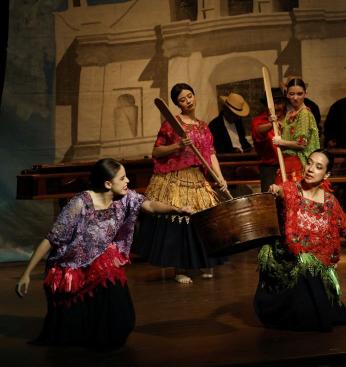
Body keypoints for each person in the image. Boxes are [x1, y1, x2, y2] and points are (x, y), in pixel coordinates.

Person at [16, 158, 192, 349]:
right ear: (108, 183)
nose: (128, 182)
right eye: (122, 178)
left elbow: (149, 206)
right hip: (72, 264)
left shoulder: (126, 198)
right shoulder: (80, 203)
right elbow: (51, 238)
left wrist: (176, 209)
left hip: (100, 257)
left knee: (118, 305)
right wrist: (26, 273)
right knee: (72, 328)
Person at [255, 150, 346, 331]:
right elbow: (282, 191)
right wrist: (276, 189)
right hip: (291, 260)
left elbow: (345, 226)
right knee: (305, 265)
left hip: (316, 261)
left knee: (314, 274)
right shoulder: (292, 189)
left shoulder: (330, 201)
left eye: (318, 167)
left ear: (327, 174)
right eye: (309, 162)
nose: (311, 169)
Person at [132, 83, 227, 284]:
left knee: (204, 219)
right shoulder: (171, 124)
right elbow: (156, 152)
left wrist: (219, 177)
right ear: (178, 104)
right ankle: (179, 268)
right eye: (182, 99)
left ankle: (205, 262)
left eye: (190, 96)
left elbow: (210, 154)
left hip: (198, 178)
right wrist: (178, 145)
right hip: (176, 178)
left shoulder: (203, 126)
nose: (188, 101)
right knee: (179, 221)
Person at [273, 78, 321, 183]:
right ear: (287, 94)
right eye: (292, 94)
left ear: (305, 94)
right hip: (287, 162)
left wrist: (281, 142)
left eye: (299, 94)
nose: (295, 98)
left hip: (298, 162)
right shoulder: (290, 114)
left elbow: (302, 144)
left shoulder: (304, 113)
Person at [251, 93, 286, 192]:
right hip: (269, 167)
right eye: (272, 103)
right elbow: (258, 132)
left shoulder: (290, 118)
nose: (276, 107)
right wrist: (271, 124)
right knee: (270, 199)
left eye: (279, 103)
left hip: (288, 165)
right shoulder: (258, 120)